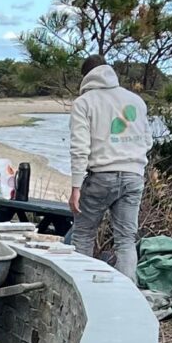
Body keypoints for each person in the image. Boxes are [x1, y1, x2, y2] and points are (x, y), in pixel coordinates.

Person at [66, 54, 150, 279]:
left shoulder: (84, 103)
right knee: (125, 240)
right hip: (134, 176)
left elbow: (79, 148)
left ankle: (81, 289)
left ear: (86, 77)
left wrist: (75, 187)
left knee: (83, 235)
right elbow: (147, 141)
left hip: (101, 177)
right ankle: (128, 296)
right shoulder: (136, 101)